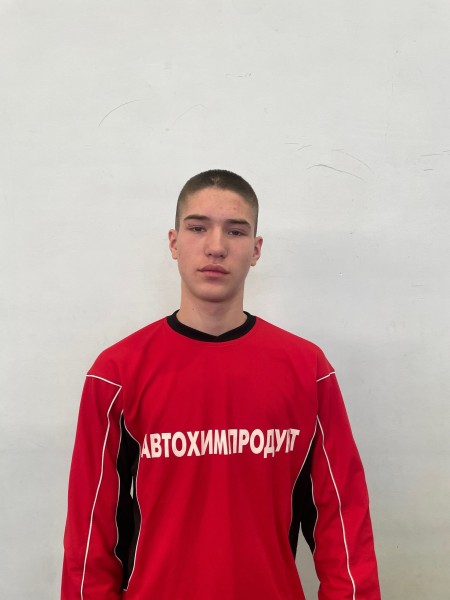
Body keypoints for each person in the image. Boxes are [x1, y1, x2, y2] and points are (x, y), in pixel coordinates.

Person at [62, 169, 381, 599]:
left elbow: (343, 523)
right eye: (198, 228)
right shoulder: (116, 374)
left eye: (235, 231)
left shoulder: (308, 370)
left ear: (256, 249)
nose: (216, 246)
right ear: (174, 243)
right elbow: (90, 537)